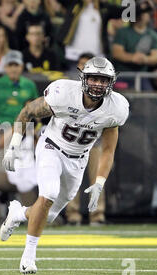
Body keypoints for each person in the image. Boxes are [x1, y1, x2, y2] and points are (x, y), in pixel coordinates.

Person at [1, 57, 129, 274]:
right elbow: (28, 112)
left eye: (103, 79)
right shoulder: (63, 93)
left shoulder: (116, 108)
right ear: (83, 78)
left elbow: (108, 150)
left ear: (111, 82)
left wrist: (99, 183)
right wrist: (13, 145)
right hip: (51, 147)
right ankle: (28, 256)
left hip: (79, 160)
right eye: (93, 78)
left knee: (48, 215)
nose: (97, 84)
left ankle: (19, 213)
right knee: (48, 194)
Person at [0, 50, 39, 227]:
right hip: (5, 132)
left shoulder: (28, 85)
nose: (13, 69)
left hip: (25, 134)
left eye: (16, 65)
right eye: (10, 65)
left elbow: (34, 110)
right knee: (3, 175)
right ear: (5, 67)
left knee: (24, 178)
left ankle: (25, 216)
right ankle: (0, 217)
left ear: (21, 67)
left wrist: (31, 130)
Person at [65, 52, 107, 226]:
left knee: (97, 178)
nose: (83, 68)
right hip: (72, 142)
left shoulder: (101, 88)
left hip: (93, 141)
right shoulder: (69, 88)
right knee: (71, 179)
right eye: (81, 65)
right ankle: (72, 214)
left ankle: (97, 214)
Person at [111, 0, 157, 90]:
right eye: (139, 12)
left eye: (145, 13)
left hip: (142, 75)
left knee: (148, 98)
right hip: (123, 74)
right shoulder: (123, 32)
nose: (142, 15)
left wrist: (145, 59)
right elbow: (117, 53)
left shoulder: (153, 35)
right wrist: (133, 57)